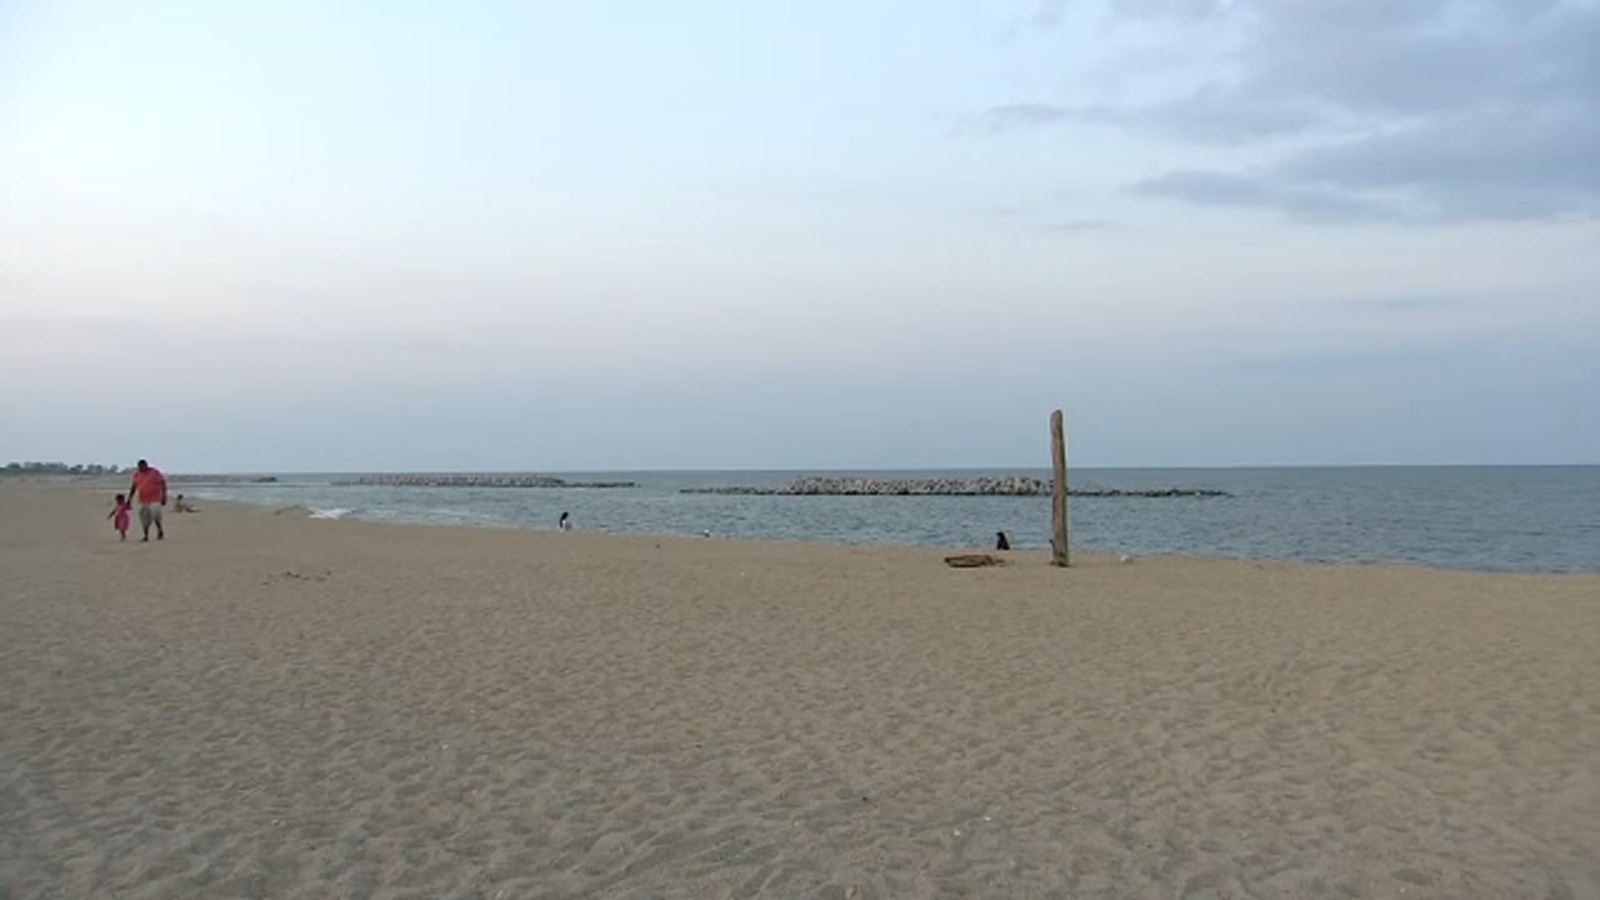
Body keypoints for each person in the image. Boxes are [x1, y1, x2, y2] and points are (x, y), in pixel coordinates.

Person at [128, 459, 168, 541]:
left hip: (155, 499)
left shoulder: (155, 472)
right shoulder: (137, 475)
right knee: (144, 518)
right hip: (143, 500)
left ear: (146, 465)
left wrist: (164, 496)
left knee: (156, 516)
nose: (141, 468)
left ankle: (160, 530)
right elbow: (133, 487)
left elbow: (163, 484)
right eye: (139, 467)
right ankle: (146, 535)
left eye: (143, 467)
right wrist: (129, 499)